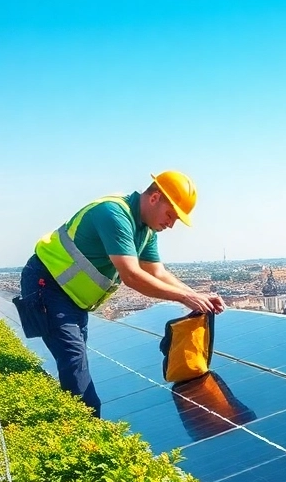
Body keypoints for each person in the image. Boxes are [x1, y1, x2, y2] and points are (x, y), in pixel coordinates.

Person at [20, 170, 225, 417]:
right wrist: (185, 298)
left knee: (75, 361)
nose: (171, 225)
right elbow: (132, 276)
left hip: (71, 298)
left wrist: (196, 295)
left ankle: (78, 423)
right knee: (74, 363)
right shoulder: (113, 214)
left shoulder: (146, 229)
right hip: (47, 286)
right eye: (171, 215)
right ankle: (86, 434)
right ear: (154, 198)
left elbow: (157, 273)